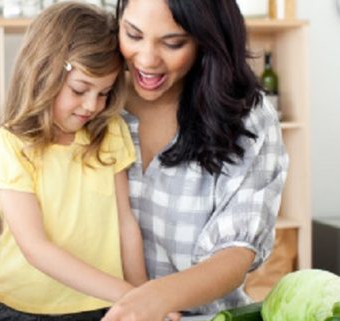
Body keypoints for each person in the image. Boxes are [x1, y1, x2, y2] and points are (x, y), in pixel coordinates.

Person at [102, 0, 289, 319]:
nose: (146, 59)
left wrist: (153, 301)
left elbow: (235, 254)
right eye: (133, 35)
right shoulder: (93, 102)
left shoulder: (247, 120)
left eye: (173, 43)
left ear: (208, 39)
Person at [0, 2, 149, 320]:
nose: (92, 105)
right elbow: (36, 248)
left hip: (101, 305)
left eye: (104, 93)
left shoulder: (109, 132)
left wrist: (142, 297)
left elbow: (126, 224)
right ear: (43, 74)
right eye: (80, 89)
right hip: (23, 310)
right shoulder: (8, 145)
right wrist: (129, 295)